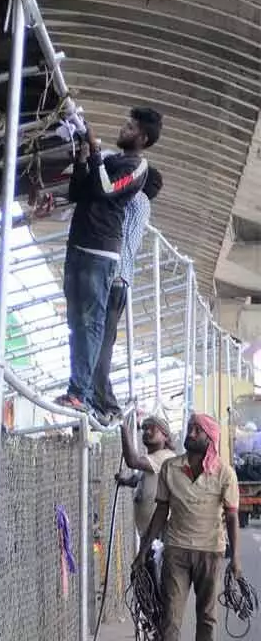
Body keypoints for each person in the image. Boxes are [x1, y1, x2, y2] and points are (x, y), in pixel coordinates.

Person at [57, 107, 161, 419]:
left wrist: (96, 150)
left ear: (142, 137)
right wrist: (82, 157)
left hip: (101, 254)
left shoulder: (136, 166)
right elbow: (79, 190)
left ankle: (82, 394)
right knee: (77, 322)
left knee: (90, 323)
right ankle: (80, 392)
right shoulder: (113, 161)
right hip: (79, 245)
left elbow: (105, 189)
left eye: (131, 126)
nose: (124, 127)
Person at [136, 413, 241, 641]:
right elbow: (161, 512)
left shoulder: (225, 474)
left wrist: (236, 559)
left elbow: (232, 517)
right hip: (176, 551)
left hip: (210, 552)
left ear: (210, 438)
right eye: (190, 428)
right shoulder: (170, 467)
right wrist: (144, 549)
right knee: (170, 618)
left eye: (197, 430)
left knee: (207, 617)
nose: (191, 433)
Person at [93, 168, 164, 414]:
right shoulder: (141, 207)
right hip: (120, 280)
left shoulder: (137, 200)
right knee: (103, 340)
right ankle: (102, 397)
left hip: (112, 277)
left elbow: (111, 184)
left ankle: (103, 400)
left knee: (98, 341)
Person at [116, 414, 176, 587]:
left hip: (158, 534)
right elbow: (139, 479)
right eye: (145, 428)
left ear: (165, 435)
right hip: (150, 533)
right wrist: (126, 481)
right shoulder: (153, 458)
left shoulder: (164, 457)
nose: (147, 432)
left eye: (152, 429)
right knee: (149, 583)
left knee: (155, 585)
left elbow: (132, 461)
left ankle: (160, 613)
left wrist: (123, 428)